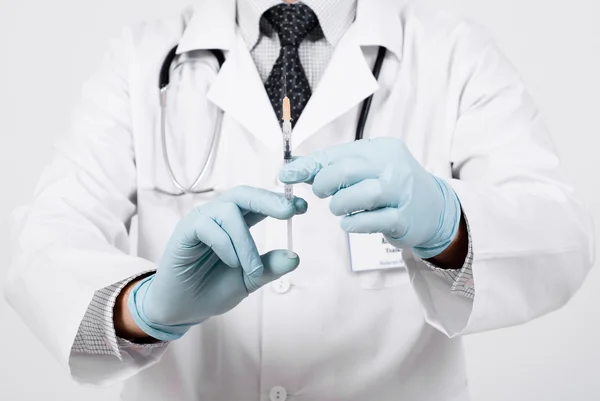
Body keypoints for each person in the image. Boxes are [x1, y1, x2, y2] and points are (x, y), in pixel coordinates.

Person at [5, 0, 595, 400]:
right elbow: (47, 241)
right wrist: (147, 310)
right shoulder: (143, 59)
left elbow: (559, 235)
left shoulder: (452, 55)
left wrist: (449, 224)